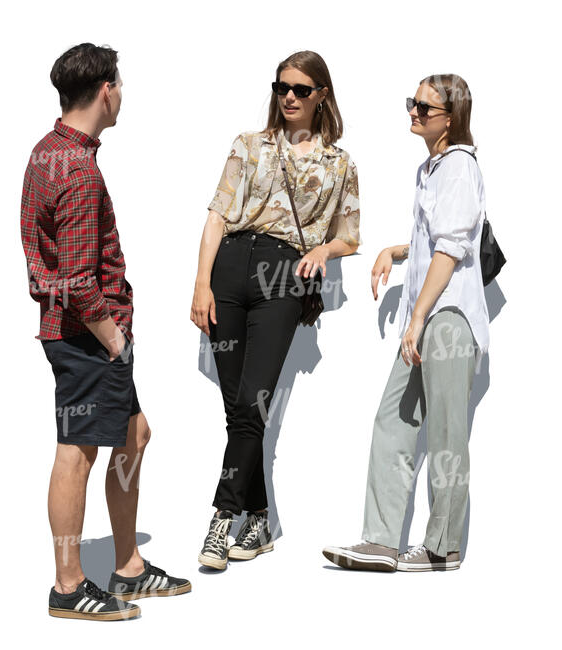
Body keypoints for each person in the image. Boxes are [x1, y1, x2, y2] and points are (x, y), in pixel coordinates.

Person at [20, 43, 190, 620]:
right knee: (77, 453)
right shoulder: (78, 168)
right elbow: (75, 279)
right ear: (105, 90)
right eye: (120, 84)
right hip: (88, 336)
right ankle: (68, 586)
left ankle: (129, 568)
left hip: (82, 334)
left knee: (134, 435)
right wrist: (114, 340)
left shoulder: (48, 152)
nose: (122, 94)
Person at [191, 50, 361, 570]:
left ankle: (222, 520)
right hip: (229, 270)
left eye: (301, 89)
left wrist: (323, 250)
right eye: (282, 86)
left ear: (321, 96)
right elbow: (218, 216)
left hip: (283, 277)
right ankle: (260, 518)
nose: (289, 96)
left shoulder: (339, 163)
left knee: (252, 401)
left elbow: (350, 237)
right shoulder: (248, 145)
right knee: (240, 409)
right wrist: (200, 283)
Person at [323, 74, 489, 572]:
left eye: (423, 106)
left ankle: (443, 547)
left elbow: (452, 246)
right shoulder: (431, 168)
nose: (412, 112)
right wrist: (394, 252)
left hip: (448, 319)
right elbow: (433, 237)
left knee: (444, 432)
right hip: (428, 318)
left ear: (450, 116)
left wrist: (416, 318)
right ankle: (380, 541)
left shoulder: (459, 166)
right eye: (411, 102)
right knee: (394, 419)